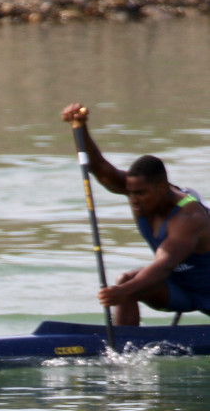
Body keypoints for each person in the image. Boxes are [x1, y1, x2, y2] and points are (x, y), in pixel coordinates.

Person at [62, 103, 210, 326]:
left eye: (140, 194)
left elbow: (164, 265)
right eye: (130, 193)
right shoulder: (142, 193)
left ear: (161, 189)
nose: (133, 200)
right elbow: (101, 169)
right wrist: (79, 128)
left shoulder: (189, 218)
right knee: (128, 283)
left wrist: (120, 292)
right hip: (182, 289)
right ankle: (122, 353)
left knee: (126, 287)